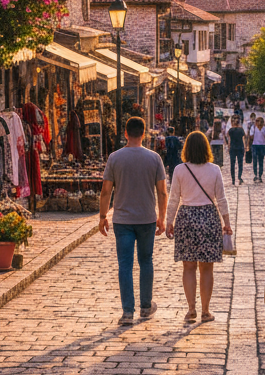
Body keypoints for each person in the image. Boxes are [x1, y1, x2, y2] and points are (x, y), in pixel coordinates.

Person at [99, 116, 167, 325]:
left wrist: (102, 216)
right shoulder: (154, 158)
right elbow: (163, 192)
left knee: (125, 265)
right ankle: (145, 307)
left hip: (123, 220)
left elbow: (106, 191)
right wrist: (162, 218)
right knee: (146, 261)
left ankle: (127, 312)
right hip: (147, 218)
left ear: (126, 134)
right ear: (144, 134)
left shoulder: (115, 158)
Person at [165, 131, 232, 323]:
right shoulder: (214, 170)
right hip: (209, 217)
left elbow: (174, 199)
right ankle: (205, 310)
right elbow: (221, 199)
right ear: (206, 148)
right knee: (207, 268)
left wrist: (169, 220)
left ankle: (191, 309)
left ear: (186, 149)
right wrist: (226, 223)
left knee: (188, 266)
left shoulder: (179, 170)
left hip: (186, 217)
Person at [226, 114, 247, 185]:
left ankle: (233, 179)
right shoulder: (241, 130)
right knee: (240, 164)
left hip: (233, 148)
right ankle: (239, 177)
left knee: (232, 164)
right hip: (240, 147)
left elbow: (229, 140)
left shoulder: (230, 130)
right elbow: (243, 139)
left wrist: (228, 148)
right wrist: (245, 147)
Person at [250, 116, 265, 183]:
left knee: (261, 161)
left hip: (262, 146)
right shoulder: (253, 128)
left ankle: (260, 175)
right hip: (255, 145)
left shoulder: (264, 129)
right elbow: (251, 136)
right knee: (255, 161)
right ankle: (256, 174)